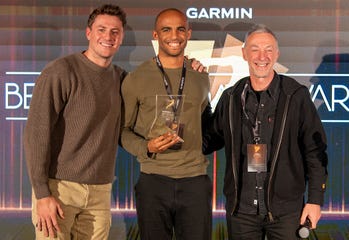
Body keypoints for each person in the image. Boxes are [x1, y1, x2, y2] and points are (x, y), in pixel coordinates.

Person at [202, 24, 328, 239]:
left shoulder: (296, 96)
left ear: (277, 54)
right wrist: (197, 100)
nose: (262, 56)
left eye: (269, 49)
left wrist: (315, 199)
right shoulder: (231, 98)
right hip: (241, 212)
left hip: (286, 212)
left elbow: (315, 151)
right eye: (255, 49)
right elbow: (208, 141)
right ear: (244, 53)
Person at [24, 4, 127, 239]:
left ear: (121, 37)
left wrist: (190, 66)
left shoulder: (121, 78)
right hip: (59, 190)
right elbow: (36, 134)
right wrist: (42, 194)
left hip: (100, 193)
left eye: (115, 32)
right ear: (88, 33)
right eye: (101, 29)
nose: (108, 37)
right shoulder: (61, 71)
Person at [121, 8, 212, 240]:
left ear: (188, 33)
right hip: (153, 180)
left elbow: (206, 122)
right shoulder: (136, 79)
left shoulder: (200, 75)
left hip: (194, 180)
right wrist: (146, 148)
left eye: (180, 29)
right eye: (166, 29)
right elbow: (122, 131)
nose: (174, 35)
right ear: (155, 35)